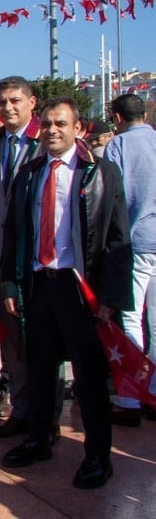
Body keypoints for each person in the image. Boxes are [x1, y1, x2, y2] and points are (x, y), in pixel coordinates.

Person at [1, 97, 132, 489]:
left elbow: (116, 238)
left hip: (81, 289)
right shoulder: (30, 172)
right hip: (40, 284)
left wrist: (109, 297)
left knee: (89, 379)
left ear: (78, 128)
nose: (52, 130)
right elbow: (14, 230)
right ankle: (39, 438)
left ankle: (97, 456)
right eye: (47, 125)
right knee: (41, 370)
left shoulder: (100, 173)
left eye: (61, 124)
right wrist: (10, 280)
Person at [0, 76, 47, 438]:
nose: (8, 107)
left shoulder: (43, 142)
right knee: (11, 342)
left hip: (35, 260)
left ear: (31, 102)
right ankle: (21, 410)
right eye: (2, 102)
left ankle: (44, 419)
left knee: (40, 343)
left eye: (15, 101)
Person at [103, 93, 156, 426]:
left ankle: (129, 398)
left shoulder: (117, 146)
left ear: (118, 117)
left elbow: (113, 195)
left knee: (130, 318)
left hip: (135, 242)